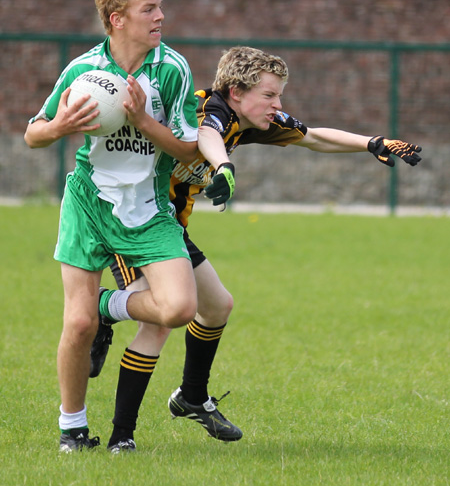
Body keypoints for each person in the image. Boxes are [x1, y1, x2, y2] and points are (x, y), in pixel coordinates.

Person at [90, 45, 422, 453]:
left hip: (169, 228)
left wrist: (372, 142)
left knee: (217, 307)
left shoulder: (248, 119)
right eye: (269, 95)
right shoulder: (204, 111)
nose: (277, 104)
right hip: (130, 222)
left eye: (278, 94)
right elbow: (208, 130)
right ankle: (120, 430)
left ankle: (192, 397)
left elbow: (313, 136)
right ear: (234, 91)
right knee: (160, 321)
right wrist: (223, 166)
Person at [23, 0, 199, 453]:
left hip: (147, 208)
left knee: (180, 308)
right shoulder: (82, 70)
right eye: (150, 9)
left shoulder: (172, 69)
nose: (161, 16)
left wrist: (143, 119)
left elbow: (188, 150)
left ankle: (108, 306)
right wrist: (58, 127)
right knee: (76, 324)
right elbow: (33, 133)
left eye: (159, 6)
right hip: (88, 202)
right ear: (118, 18)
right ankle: (72, 428)